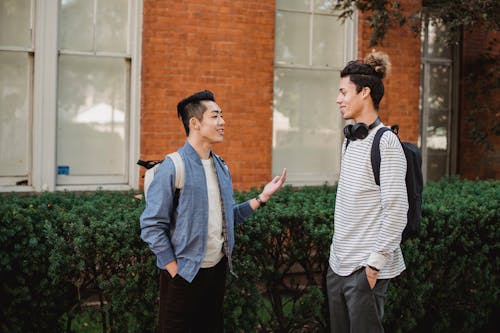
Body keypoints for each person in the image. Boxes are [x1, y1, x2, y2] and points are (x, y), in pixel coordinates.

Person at [140, 90, 286, 333]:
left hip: (216, 271)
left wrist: (263, 197)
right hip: (183, 275)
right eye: (216, 116)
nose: (223, 122)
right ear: (195, 123)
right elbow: (152, 225)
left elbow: (229, 217)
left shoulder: (221, 166)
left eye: (222, 116)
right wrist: (174, 269)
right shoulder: (173, 166)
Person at [326, 52, 408, 333]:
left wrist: (373, 267)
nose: (338, 99)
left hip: (365, 269)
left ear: (364, 92)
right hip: (337, 265)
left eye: (343, 91)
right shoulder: (349, 139)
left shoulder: (387, 143)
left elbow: (397, 210)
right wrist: (334, 258)